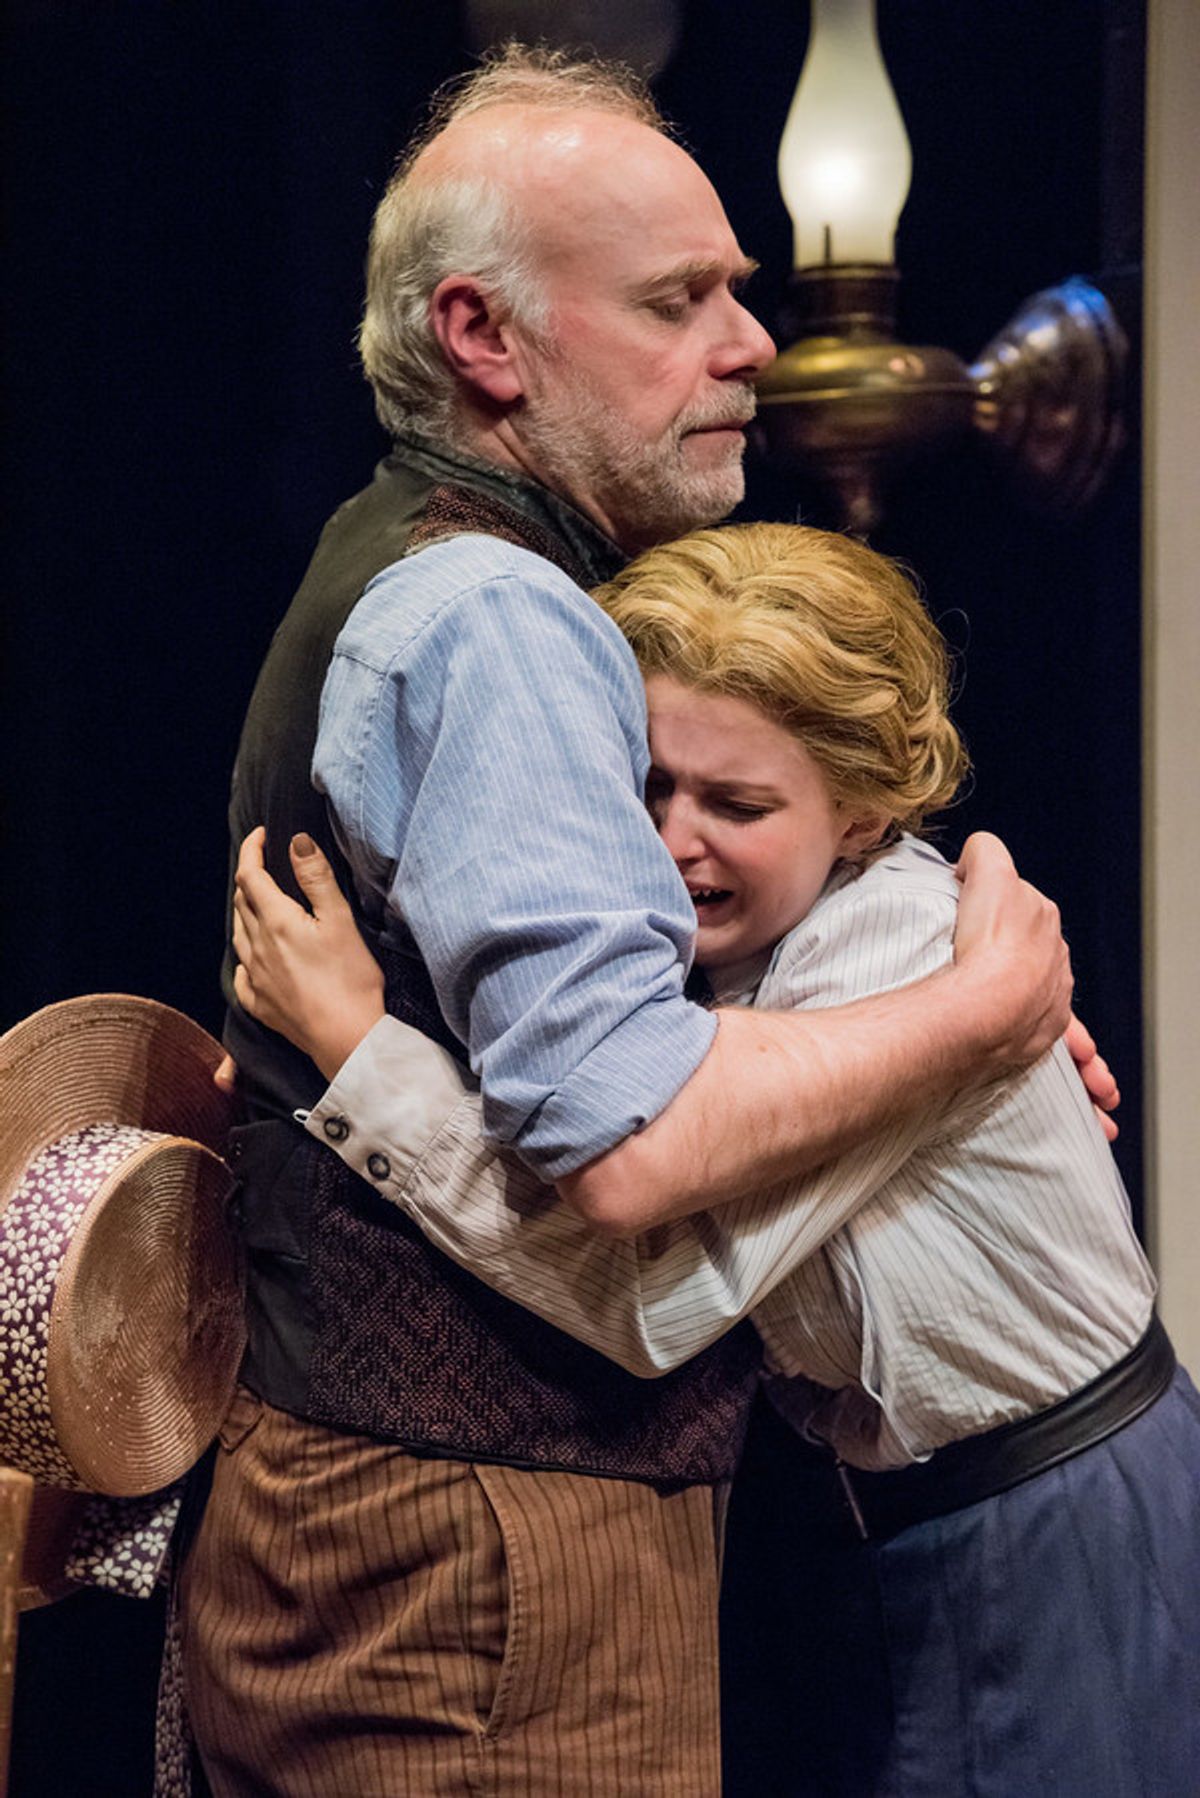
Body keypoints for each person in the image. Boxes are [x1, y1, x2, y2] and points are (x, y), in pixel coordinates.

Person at [189, 43, 1083, 1798]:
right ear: (484, 339)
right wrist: (974, 1016)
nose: (752, 344)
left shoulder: (436, 565)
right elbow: (635, 1139)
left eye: (742, 291)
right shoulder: (499, 625)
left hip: (433, 1543)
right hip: (483, 1573)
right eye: (680, 300)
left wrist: (921, 985)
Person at [232, 522, 1199, 1798]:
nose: (674, 840)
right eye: (646, 785)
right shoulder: (728, 951)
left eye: (738, 805)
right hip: (910, 1516)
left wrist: (360, 1059)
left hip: (1048, 1520)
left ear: (864, 812)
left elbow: (655, 1300)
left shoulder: (901, 955)